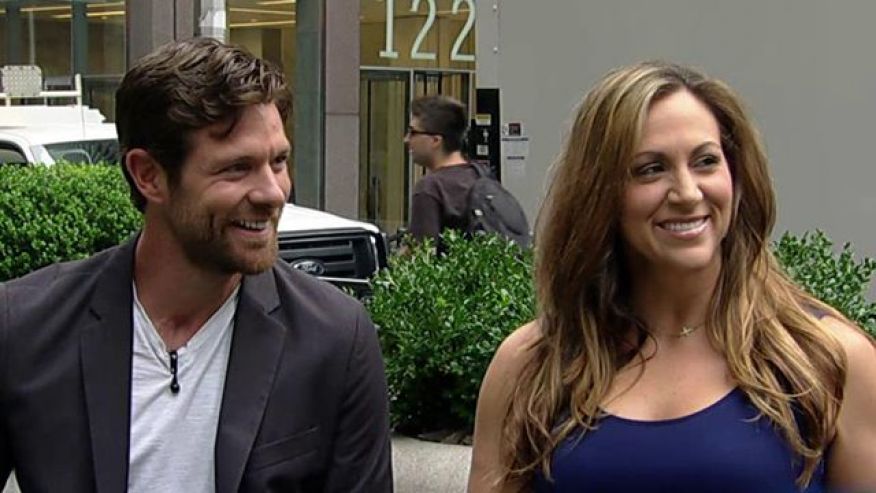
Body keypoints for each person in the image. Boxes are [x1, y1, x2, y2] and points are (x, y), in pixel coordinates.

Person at [0, 38, 392, 492]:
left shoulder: (335, 338)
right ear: (148, 175)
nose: (273, 193)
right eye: (237, 168)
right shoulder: (25, 327)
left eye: (279, 161)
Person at [468, 61, 876, 492]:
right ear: (599, 193)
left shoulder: (829, 361)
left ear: (737, 178)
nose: (687, 192)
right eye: (650, 168)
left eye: (706, 161)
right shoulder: (531, 365)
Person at [405, 94, 478, 244]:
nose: (406, 139)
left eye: (413, 132)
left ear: (435, 140)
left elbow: (422, 252)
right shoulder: (480, 176)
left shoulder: (431, 188)